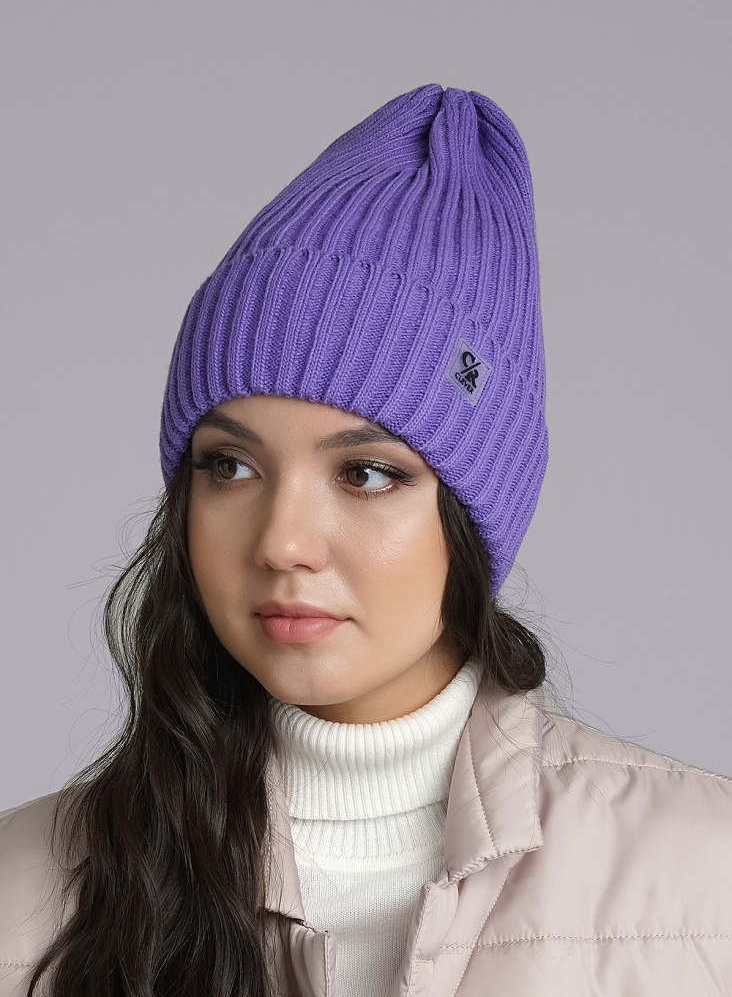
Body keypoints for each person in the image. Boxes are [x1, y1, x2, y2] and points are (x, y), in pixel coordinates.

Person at [1, 84, 731, 997]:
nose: (282, 543)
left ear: (474, 513)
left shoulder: (707, 881)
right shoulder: (22, 896)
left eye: (368, 474)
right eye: (230, 465)